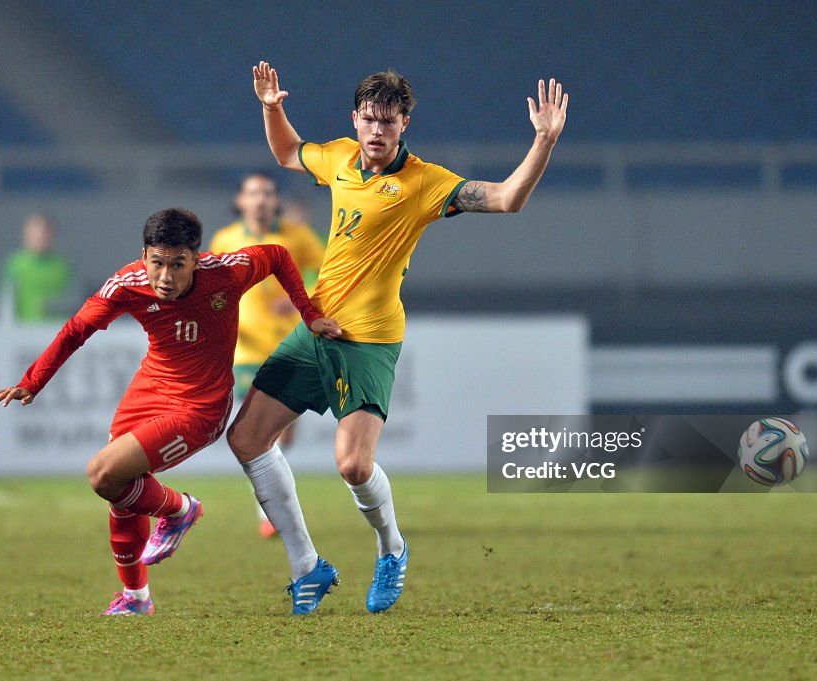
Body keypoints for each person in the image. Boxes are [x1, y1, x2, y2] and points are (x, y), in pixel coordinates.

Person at [228, 62, 569, 615]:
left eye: (388, 121)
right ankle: (309, 567)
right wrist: (272, 107)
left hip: (369, 341)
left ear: (404, 123)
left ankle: (392, 548)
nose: (377, 131)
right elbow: (288, 153)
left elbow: (508, 198)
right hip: (316, 329)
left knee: (353, 467)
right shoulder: (339, 157)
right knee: (245, 439)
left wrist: (543, 141)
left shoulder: (424, 183)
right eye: (368, 119)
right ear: (356, 120)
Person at [0, 208, 339, 616]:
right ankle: (136, 598)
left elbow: (278, 254)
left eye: (177, 264)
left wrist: (309, 313)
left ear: (196, 257)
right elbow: (75, 331)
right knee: (121, 493)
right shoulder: (128, 283)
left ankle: (180, 509)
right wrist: (32, 381)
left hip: (200, 406)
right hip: (149, 389)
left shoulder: (226, 272)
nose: (166, 277)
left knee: (103, 473)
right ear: (144, 256)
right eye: (157, 263)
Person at [209, 172, 324, 538]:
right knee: (259, 431)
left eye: (268, 193)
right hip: (245, 347)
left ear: (276, 201)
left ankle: (270, 505)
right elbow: (213, 287)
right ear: (240, 201)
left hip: (290, 344)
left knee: (284, 434)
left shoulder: (297, 236)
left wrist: (297, 294)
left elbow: (328, 273)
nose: (261, 200)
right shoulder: (225, 240)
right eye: (253, 193)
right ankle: (268, 512)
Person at [0, 213, 77, 323]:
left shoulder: (64, 266)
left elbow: (76, 300)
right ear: (26, 233)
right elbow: (5, 303)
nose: (40, 236)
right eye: (35, 231)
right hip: (25, 332)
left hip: (60, 332)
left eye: (45, 232)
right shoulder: (15, 265)